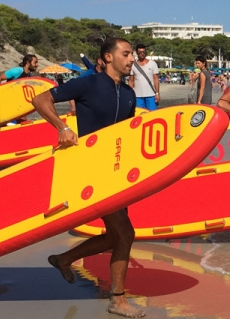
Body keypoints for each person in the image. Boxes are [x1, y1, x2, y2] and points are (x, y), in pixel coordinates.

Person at [32, 38, 145, 318]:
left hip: (117, 172)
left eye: (132, 54)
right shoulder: (89, 83)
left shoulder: (129, 94)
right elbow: (40, 98)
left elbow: (127, 134)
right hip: (94, 169)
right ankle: (117, 300)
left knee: (116, 236)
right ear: (108, 57)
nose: (132, 59)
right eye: (126, 54)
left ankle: (64, 259)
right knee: (125, 233)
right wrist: (61, 127)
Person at [128, 44, 160, 111]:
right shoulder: (133, 65)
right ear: (137, 53)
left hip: (151, 95)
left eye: (144, 52)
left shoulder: (153, 64)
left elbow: (156, 79)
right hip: (138, 96)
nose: (142, 54)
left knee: (152, 115)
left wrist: (157, 93)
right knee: (140, 116)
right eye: (140, 52)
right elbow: (131, 81)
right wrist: (130, 95)